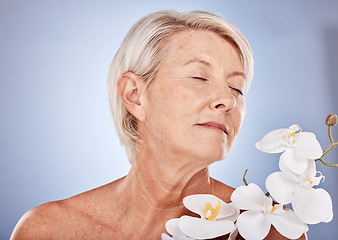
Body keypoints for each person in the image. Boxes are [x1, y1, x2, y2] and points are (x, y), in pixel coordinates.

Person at [10, 10, 304, 239]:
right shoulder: (47, 230)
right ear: (134, 95)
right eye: (199, 77)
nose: (227, 100)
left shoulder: (273, 231)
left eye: (237, 88)